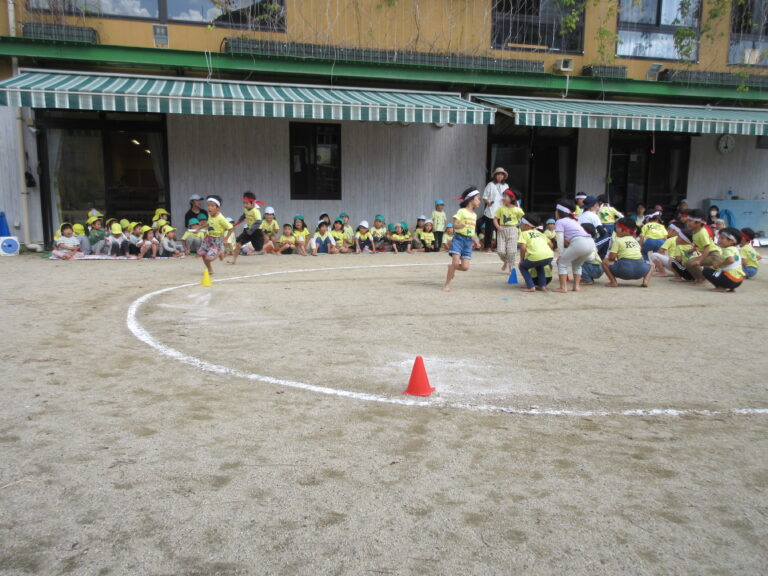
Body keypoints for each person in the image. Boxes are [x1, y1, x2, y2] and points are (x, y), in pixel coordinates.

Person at [443, 187, 481, 292]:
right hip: (458, 239)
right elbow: (454, 225)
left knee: (465, 267)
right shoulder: (461, 211)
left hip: (468, 242)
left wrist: (476, 241)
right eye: (478, 198)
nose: (479, 201)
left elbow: (471, 231)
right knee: (455, 263)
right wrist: (460, 226)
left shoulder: (474, 215)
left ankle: (450, 267)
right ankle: (447, 284)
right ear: (471, 199)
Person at [553, 200, 595, 293]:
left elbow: (559, 239)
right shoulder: (574, 221)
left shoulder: (560, 221)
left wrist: (561, 254)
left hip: (579, 242)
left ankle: (563, 287)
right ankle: (576, 286)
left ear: (559, 212)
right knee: (577, 265)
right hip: (590, 242)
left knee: (562, 263)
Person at [601, 218, 653, 288]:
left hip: (624, 271)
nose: (615, 230)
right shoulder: (635, 241)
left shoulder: (618, 240)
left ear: (625, 230)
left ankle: (613, 282)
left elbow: (612, 257)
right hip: (640, 271)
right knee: (652, 265)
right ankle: (645, 281)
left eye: (617, 228)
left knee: (604, 262)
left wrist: (616, 259)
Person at [684, 209, 722, 285]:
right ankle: (698, 279)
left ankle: (703, 279)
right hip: (708, 254)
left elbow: (707, 248)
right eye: (687, 221)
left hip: (714, 255)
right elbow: (699, 245)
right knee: (688, 263)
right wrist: (692, 250)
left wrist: (699, 260)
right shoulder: (695, 231)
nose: (688, 223)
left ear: (698, 222)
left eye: (690, 221)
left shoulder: (702, 233)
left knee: (691, 263)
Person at [518, 216, 555, 292]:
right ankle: (542, 286)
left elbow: (523, 248)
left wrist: (522, 260)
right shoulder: (540, 233)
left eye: (522, 224)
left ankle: (531, 286)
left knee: (522, 266)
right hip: (549, 256)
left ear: (527, 225)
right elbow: (551, 245)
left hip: (536, 256)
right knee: (539, 265)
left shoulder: (524, 233)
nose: (520, 226)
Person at [199, 195, 233, 276]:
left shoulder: (221, 219)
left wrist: (226, 239)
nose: (209, 208)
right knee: (203, 254)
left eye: (212, 206)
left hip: (217, 240)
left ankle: (220, 252)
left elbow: (231, 228)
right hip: (208, 238)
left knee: (208, 258)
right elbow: (209, 223)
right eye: (208, 205)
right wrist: (200, 228)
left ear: (218, 208)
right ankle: (210, 269)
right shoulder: (210, 215)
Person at [493, 189, 524, 274]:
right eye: (503, 196)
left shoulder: (518, 210)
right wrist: (498, 227)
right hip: (502, 230)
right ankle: (506, 261)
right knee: (500, 251)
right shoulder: (501, 208)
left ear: (512, 198)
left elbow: (523, 220)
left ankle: (512, 269)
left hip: (513, 230)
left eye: (505, 196)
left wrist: (518, 225)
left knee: (511, 252)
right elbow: (495, 219)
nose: (503, 198)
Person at [227, 191, 264, 264]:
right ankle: (234, 259)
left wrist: (251, 230)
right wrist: (237, 223)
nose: (245, 205)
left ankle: (260, 249)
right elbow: (244, 216)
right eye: (244, 203)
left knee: (259, 248)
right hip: (248, 230)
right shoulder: (246, 210)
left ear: (253, 203)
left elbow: (258, 222)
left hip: (256, 231)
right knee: (238, 243)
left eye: (247, 203)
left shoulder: (255, 211)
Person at [480, 167, 509, 252]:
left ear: (504, 176)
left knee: (500, 230)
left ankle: (498, 246)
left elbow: (509, 197)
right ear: (495, 175)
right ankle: (488, 247)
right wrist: (488, 202)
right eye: (498, 174)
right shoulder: (490, 184)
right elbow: (484, 197)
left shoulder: (506, 186)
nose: (500, 176)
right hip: (491, 210)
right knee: (489, 230)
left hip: (502, 210)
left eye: (501, 175)